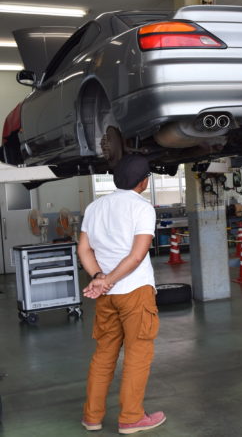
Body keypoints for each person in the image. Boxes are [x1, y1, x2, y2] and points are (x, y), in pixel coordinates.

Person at [78, 155, 166, 435]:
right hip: (134, 291)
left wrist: (99, 278)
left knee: (104, 354)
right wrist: (108, 280)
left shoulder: (95, 206)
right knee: (137, 354)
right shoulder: (142, 208)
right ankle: (131, 418)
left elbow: (84, 249)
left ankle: (92, 417)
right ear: (144, 182)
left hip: (106, 295)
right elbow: (137, 256)